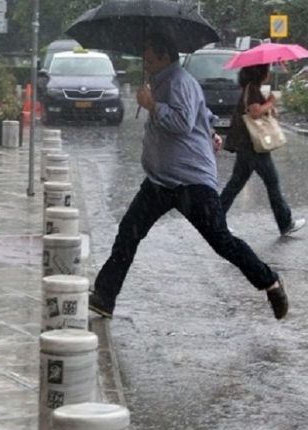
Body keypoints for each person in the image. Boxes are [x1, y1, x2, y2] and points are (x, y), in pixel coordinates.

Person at [89, 33, 288, 321]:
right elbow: (202, 113)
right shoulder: (162, 81)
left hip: (191, 182)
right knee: (128, 233)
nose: (145, 62)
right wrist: (210, 130)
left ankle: (270, 281)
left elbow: (182, 122)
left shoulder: (179, 81)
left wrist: (153, 107)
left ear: (164, 57)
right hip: (160, 180)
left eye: (148, 58)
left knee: (221, 240)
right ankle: (105, 297)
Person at [219, 63, 306, 236]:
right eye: (267, 69)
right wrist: (271, 102)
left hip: (246, 145)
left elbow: (256, 109)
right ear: (261, 73)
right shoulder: (252, 89)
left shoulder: (251, 88)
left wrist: (267, 104)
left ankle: (215, 220)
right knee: (272, 182)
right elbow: (254, 112)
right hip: (253, 147)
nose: (269, 73)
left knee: (235, 183)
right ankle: (285, 223)